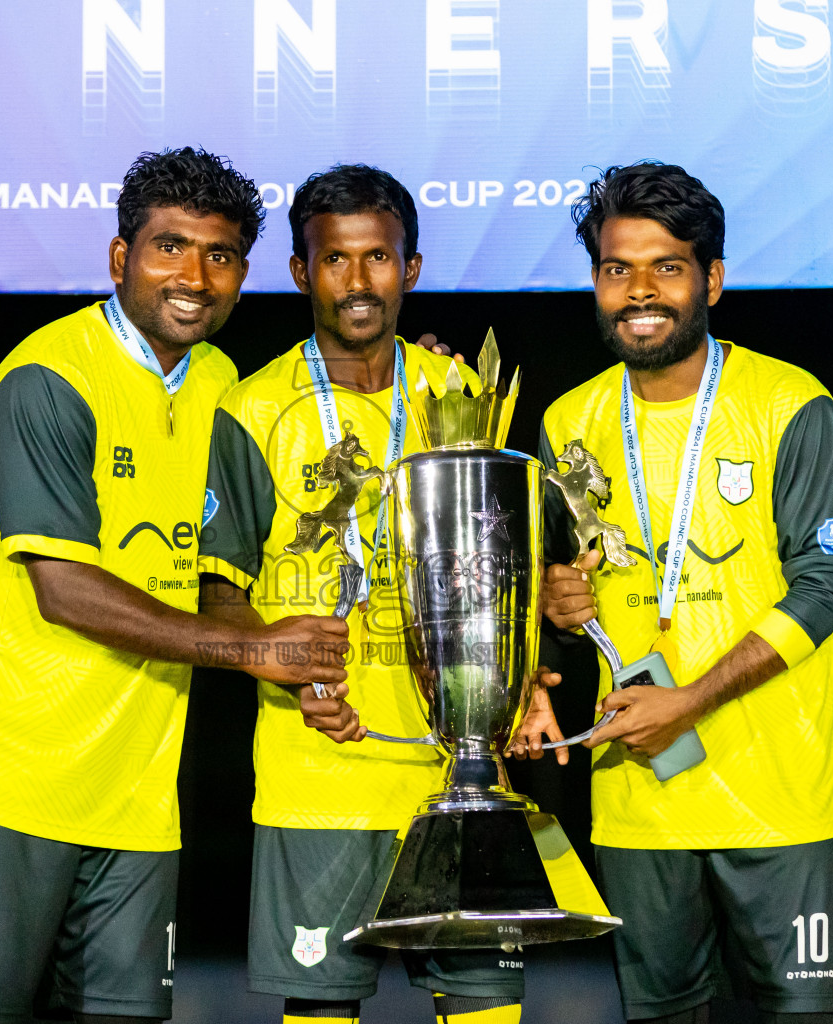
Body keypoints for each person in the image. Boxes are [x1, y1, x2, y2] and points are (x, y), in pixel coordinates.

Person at [0, 147, 351, 1024]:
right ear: (121, 259)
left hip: (141, 800)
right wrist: (251, 648)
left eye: (219, 255)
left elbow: (218, 582)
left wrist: (285, 662)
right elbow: (65, 589)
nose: (193, 276)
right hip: (8, 780)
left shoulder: (220, 385)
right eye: (169, 247)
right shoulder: (46, 380)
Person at [516, 161, 833, 1023]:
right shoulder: (570, 421)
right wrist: (555, 613)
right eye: (615, 269)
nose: (639, 291)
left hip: (782, 800)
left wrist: (692, 699)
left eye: (667, 267)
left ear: (712, 277)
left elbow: (829, 588)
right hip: (641, 797)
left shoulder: (790, 403)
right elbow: (571, 598)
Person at [197, 164, 527, 1024]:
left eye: (377, 257)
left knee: (487, 1003)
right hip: (319, 777)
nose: (358, 279)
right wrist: (283, 666)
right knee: (320, 1007)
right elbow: (217, 594)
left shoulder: (461, 397)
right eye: (335, 260)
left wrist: (524, 690)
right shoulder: (252, 408)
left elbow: (506, 579)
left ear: (409, 269)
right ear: (303, 272)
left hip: (450, 773)